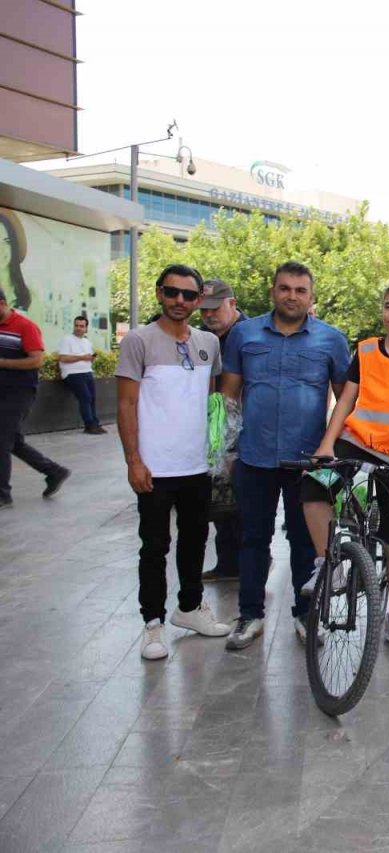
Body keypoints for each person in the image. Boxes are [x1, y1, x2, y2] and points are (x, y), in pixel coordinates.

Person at [219, 261, 351, 650]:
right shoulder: (243, 334)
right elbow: (229, 396)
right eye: (285, 288)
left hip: (308, 461)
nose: (292, 295)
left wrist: (332, 449)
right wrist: (226, 450)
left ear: (311, 296)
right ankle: (250, 614)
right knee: (252, 538)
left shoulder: (331, 340)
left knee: (305, 541)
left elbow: (346, 398)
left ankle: (305, 615)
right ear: (273, 291)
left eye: (300, 289)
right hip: (254, 456)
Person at [302, 281, 389, 653]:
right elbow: (346, 400)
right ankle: (330, 564)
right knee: (314, 488)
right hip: (355, 443)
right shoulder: (365, 350)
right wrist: (327, 443)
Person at [115, 264, 231, 659]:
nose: (179, 301)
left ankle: (190, 608)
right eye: (172, 292)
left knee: (197, 539)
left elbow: (209, 400)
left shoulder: (209, 343)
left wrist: (215, 453)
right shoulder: (137, 341)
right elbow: (126, 404)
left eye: (188, 295)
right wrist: (134, 460)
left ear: (199, 300)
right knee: (154, 545)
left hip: (196, 466)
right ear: (160, 293)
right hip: (155, 469)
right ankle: (152, 623)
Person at [0, 287, 70, 509]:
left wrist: (2, 363)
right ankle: (53, 471)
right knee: (13, 441)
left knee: (1, 441)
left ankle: (2, 494)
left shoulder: (25, 327)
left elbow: (36, 361)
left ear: (2, 303)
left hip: (18, 392)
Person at [198, 279, 248, 583]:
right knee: (219, 500)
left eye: (214, 309)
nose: (208, 315)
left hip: (243, 432)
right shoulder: (206, 338)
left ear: (232, 302)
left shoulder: (249, 335)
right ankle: (227, 563)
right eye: (203, 311)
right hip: (214, 430)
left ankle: (249, 563)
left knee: (241, 503)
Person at [57, 315, 106, 434]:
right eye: (76, 325)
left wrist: (89, 358)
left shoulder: (87, 342)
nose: (78, 328)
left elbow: (86, 358)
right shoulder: (67, 339)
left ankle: (95, 423)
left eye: (81, 326)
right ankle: (89, 425)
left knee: (92, 398)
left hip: (87, 372)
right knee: (85, 398)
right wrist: (82, 357)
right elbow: (63, 358)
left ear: (86, 328)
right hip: (72, 373)